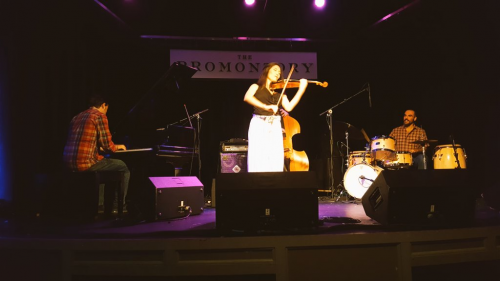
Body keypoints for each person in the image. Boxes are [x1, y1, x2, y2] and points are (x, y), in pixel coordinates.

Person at [63, 95, 130, 207]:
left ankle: (98, 206)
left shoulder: (76, 117)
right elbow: (108, 145)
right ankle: (118, 206)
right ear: (104, 105)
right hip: (84, 164)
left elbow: (83, 141)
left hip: (67, 163)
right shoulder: (99, 116)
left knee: (101, 163)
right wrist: (117, 146)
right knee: (123, 167)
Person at [243, 62, 308, 172]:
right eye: (275, 70)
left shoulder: (280, 91)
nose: (278, 73)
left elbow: (289, 107)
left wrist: (301, 89)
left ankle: (274, 184)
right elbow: (247, 97)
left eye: (279, 72)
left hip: (275, 124)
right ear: (267, 71)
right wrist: (266, 106)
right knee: (258, 156)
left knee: (275, 156)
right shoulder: (256, 86)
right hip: (259, 122)